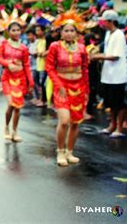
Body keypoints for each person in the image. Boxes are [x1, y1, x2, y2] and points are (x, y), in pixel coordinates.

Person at [45, 11, 89, 166]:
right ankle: (60, 151)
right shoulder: (55, 47)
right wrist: (58, 85)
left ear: (77, 33)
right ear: (61, 33)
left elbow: (85, 69)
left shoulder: (82, 48)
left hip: (78, 87)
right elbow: (49, 67)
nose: (69, 33)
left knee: (76, 122)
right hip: (61, 87)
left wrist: (86, 91)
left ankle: (70, 152)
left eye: (72, 30)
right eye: (66, 30)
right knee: (64, 121)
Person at [0, 20, 34, 142]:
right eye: (13, 30)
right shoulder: (4, 44)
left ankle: (15, 131)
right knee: (11, 104)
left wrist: (31, 82)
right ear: (8, 31)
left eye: (18, 30)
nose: (16, 32)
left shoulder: (23, 48)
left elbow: (27, 65)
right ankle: (6, 127)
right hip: (7, 78)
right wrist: (7, 64)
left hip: (20, 79)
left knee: (18, 107)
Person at [93, 10, 127, 138]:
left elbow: (115, 56)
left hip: (118, 75)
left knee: (119, 103)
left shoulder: (119, 35)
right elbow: (107, 52)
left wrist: (98, 57)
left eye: (104, 21)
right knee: (110, 102)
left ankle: (119, 127)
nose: (102, 23)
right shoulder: (108, 34)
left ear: (111, 21)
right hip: (108, 74)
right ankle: (112, 125)